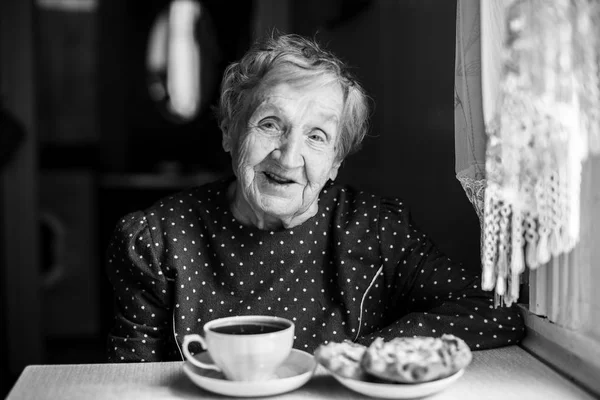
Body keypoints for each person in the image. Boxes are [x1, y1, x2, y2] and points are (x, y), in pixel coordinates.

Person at [106, 33, 525, 363]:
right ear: (230, 132)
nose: (289, 157)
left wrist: (368, 351)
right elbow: (130, 381)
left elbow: (495, 310)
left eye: (317, 136)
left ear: (336, 161)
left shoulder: (374, 231)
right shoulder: (158, 240)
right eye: (270, 124)